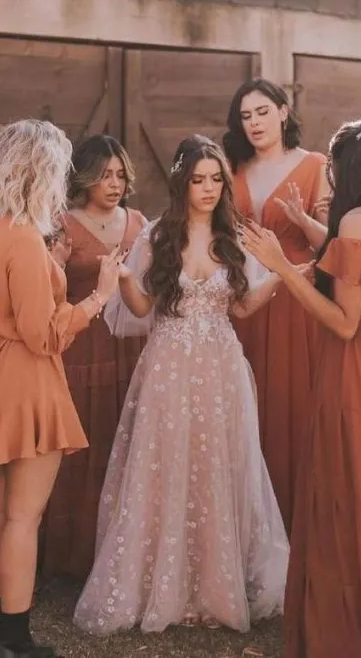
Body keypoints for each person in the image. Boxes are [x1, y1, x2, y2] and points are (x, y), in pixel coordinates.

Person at [73, 134, 289, 635]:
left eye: (216, 179)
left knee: (218, 462)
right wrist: (126, 277)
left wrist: (281, 275)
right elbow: (145, 310)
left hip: (221, 367)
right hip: (168, 364)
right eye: (199, 180)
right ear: (182, 183)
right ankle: (161, 584)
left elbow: (240, 308)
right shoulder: (157, 235)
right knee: (166, 462)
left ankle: (213, 585)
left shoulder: (232, 236)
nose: (210, 188)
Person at [241, 119, 361, 658]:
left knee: (354, 495)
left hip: (357, 373)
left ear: (348, 168)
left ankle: (355, 631)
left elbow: (344, 322)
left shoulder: (358, 221)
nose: (327, 179)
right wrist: (306, 243)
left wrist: (280, 268)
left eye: (332, 167)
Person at [0, 121, 126, 658]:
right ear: (44, 170)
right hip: (26, 383)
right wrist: (98, 298)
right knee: (22, 517)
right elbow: (44, 333)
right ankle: (14, 638)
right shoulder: (24, 237)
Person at [223, 78, 329, 535]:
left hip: (295, 294)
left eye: (263, 112)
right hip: (246, 296)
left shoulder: (315, 165)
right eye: (246, 116)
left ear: (284, 112)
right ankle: (252, 529)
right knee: (251, 404)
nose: (254, 123)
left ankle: (297, 521)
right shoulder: (232, 167)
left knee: (293, 401)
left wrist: (301, 221)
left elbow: (331, 244)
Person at [42, 135, 147, 581]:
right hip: (80, 347)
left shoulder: (139, 222)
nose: (115, 183)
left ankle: (118, 554)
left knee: (119, 441)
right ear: (84, 176)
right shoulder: (62, 224)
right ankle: (70, 555)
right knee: (79, 446)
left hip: (129, 347)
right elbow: (46, 291)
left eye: (120, 174)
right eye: (105, 174)